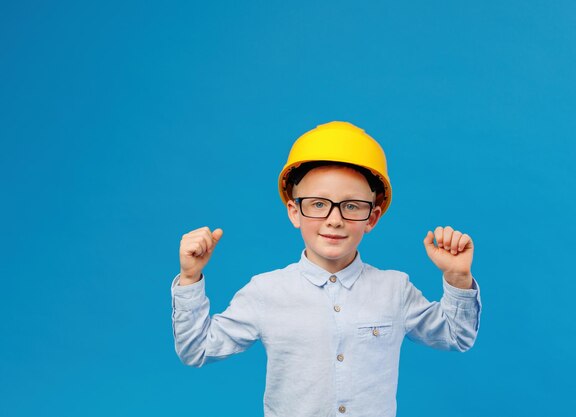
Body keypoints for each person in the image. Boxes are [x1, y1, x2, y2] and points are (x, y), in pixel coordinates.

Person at [171, 121, 482, 417]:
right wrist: (190, 279)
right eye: (318, 204)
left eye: (351, 206)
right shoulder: (265, 291)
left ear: (372, 218)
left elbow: (457, 336)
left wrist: (457, 278)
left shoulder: (395, 289)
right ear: (294, 212)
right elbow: (196, 350)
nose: (335, 219)